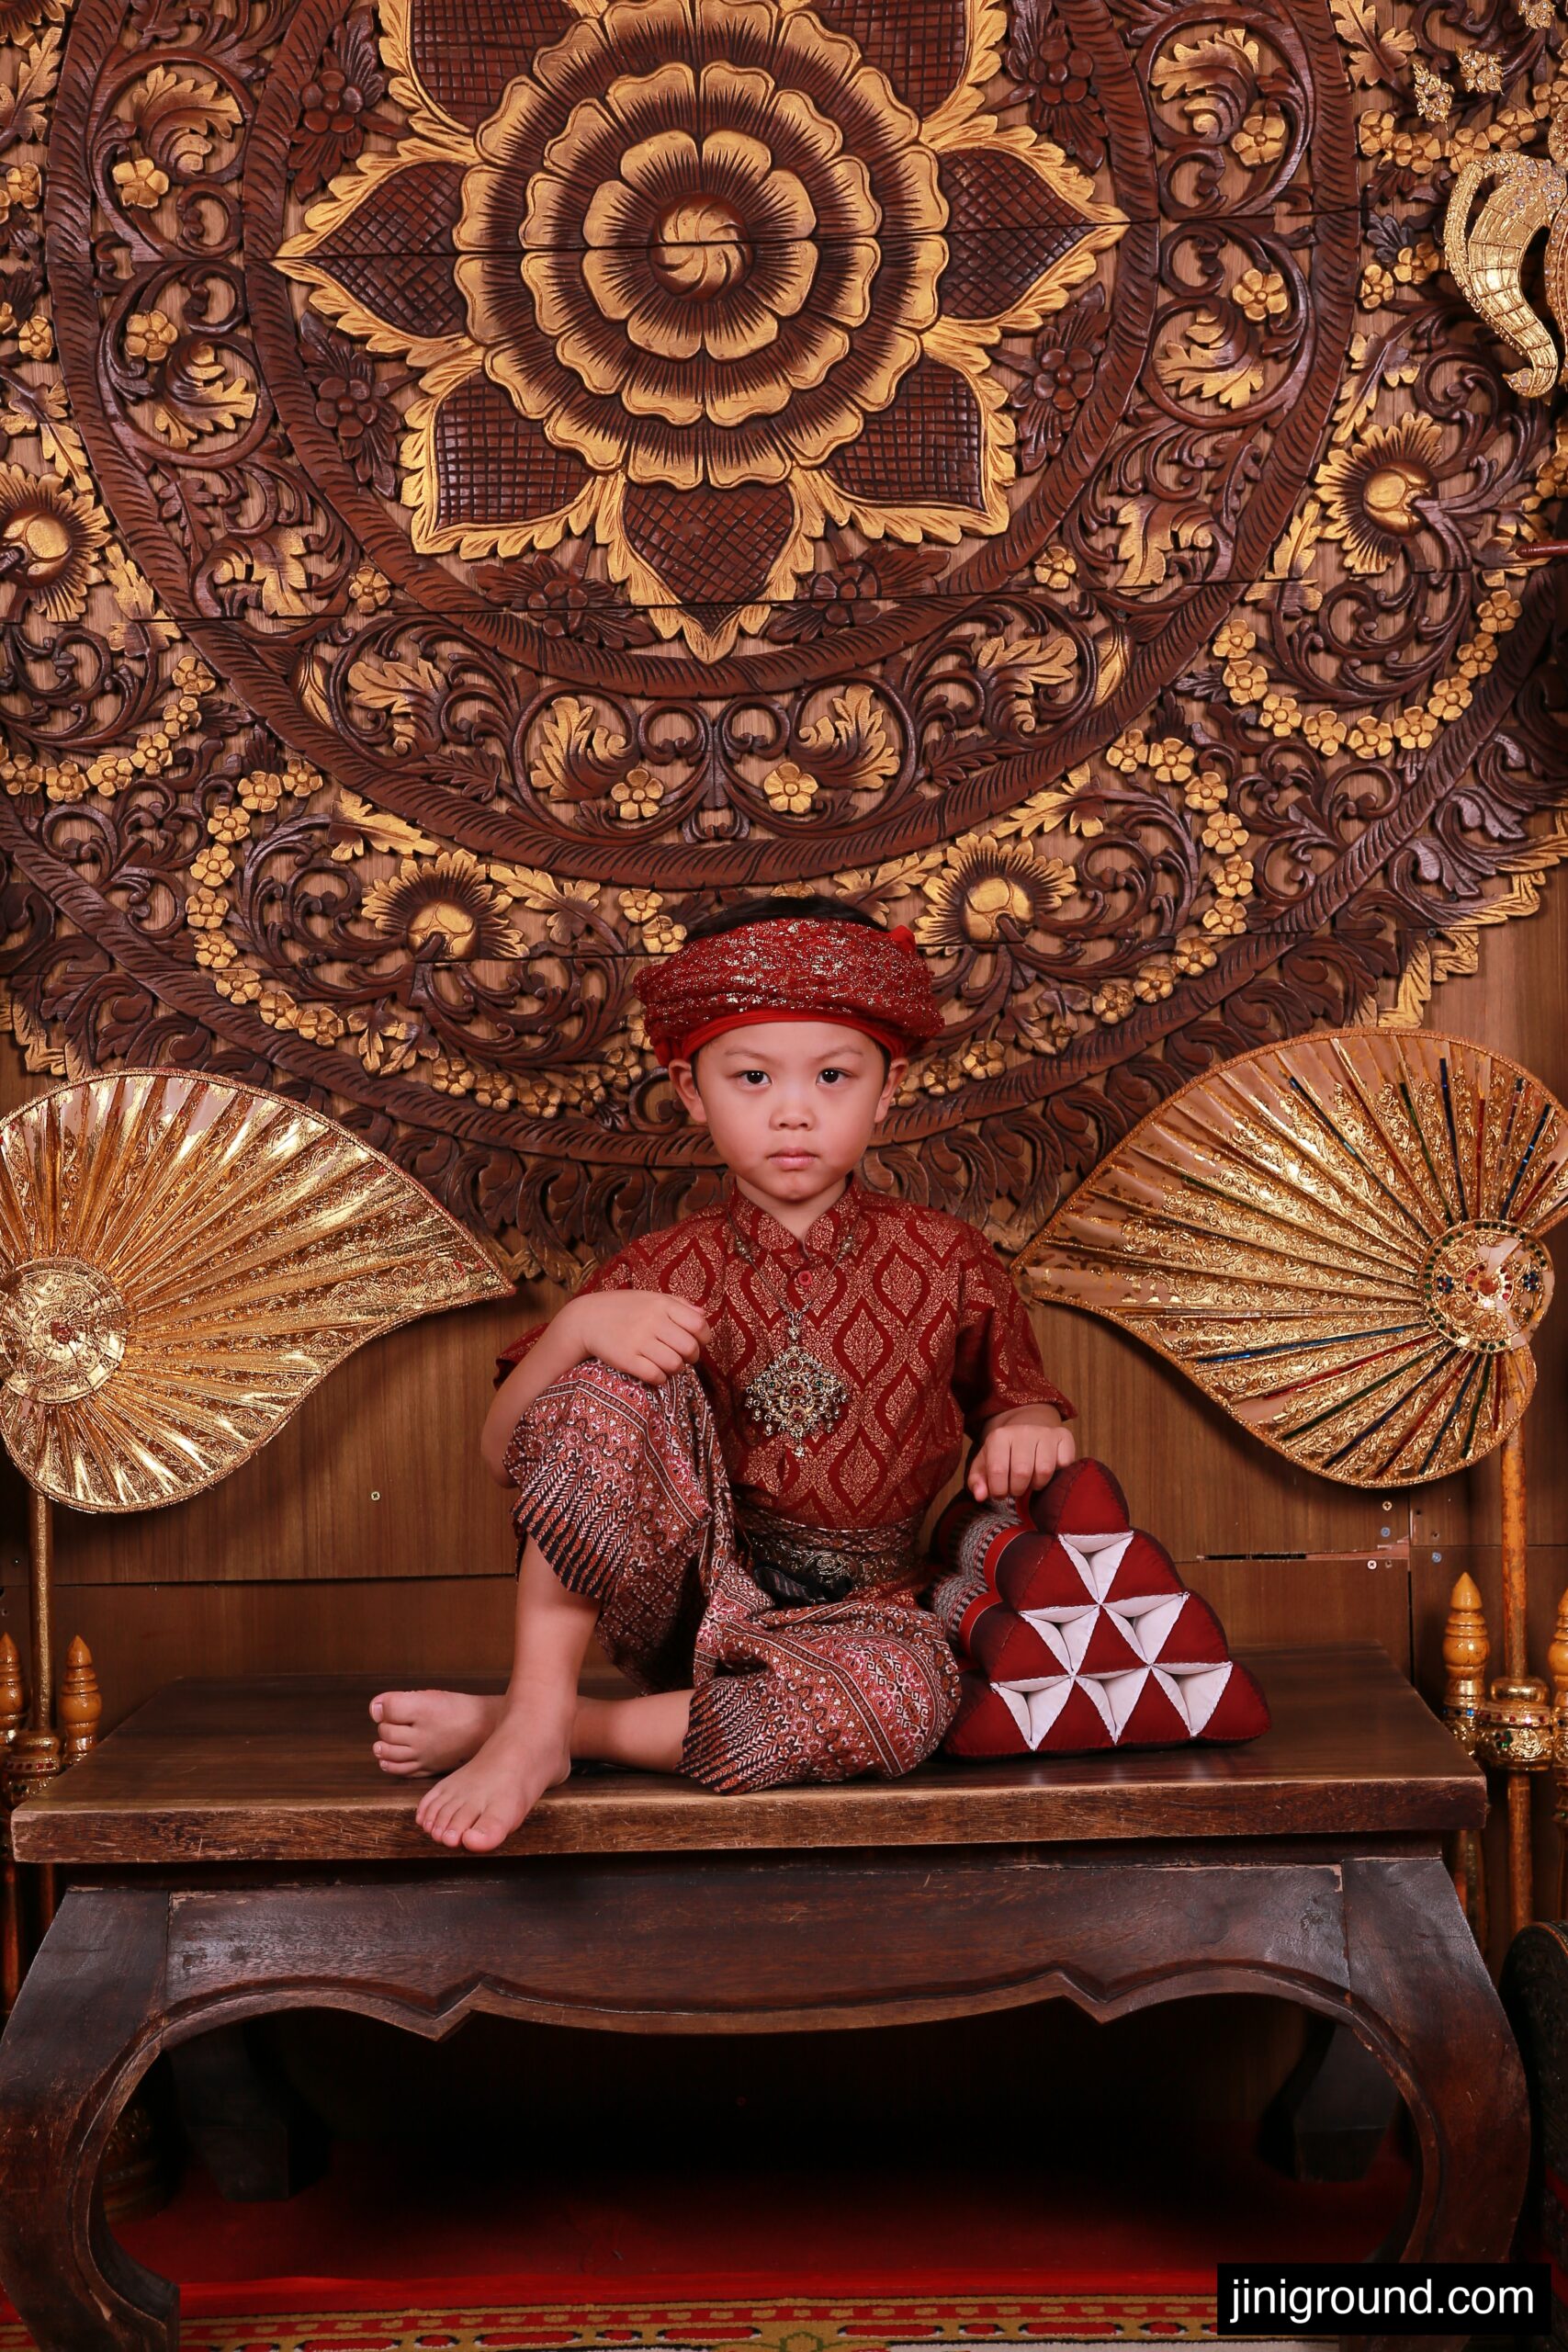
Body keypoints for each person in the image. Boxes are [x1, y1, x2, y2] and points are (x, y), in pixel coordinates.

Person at [370, 896, 1077, 1850]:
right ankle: (538, 1705)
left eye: (834, 1075)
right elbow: (505, 1456)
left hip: (866, 1617)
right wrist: (576, 1327)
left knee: (911, 1702)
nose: (793, 1109)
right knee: (605, 1381)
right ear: (692, 1090)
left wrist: (1030, 1420)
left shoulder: (950, 1258)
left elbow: (1017, 1397)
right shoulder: (654, 1269)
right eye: (751, 1077)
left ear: (888, 1086)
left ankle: (548, 1730)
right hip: (684, 1599)